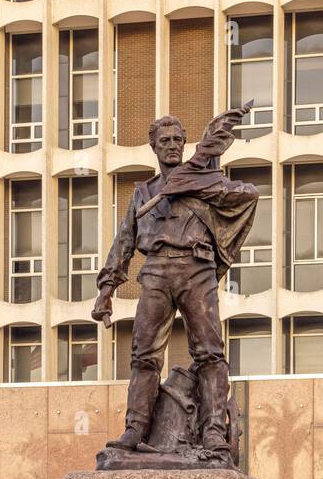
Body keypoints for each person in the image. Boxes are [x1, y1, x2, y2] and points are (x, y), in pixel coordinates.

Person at [91, 108, 259, 454]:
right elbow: (124, 240)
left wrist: (202, 185)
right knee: (144, 356)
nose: (172, 146)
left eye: (178, 140)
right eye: (165, 141)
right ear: (153, 146)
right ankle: (135, 429)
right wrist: (106, 291)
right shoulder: (144, 192)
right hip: (155, 270)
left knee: (210, 352)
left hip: (196, 268)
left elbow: (248, 195)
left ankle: (213, 430)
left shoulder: (203, 180)